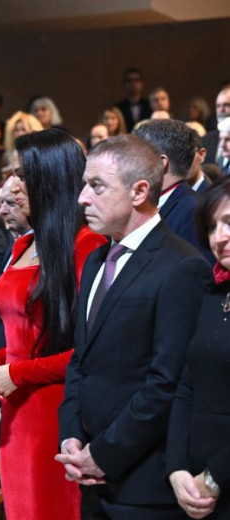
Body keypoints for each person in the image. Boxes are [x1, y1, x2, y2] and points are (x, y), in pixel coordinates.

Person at [56, 135, 213, 519]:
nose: (82, 198)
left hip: (144, 482)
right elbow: (82, 360)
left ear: (140, 190)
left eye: (96, 186)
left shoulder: (181, 265)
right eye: (83, 185)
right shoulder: (95, 260)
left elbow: (167, 381)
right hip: (89, 475)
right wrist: (73, 435)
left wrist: (105, 453)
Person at [0, 129, 106, 520]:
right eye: (13, 172)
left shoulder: (86, 245)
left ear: (51, 178)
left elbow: (87, 350)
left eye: (24, 174)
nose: (12, 184)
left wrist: (18, 372)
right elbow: (22, 333)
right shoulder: (22, 245)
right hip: (15, 410)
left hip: (55, 409)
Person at [167, 177, 230, 519]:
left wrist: (215, 477)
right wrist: (176, 468)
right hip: (196, 484)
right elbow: (187, 385)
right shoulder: (214, 294)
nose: (219, 237)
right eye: (212, 226)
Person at [134, 119, 214, 263]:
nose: (129, 164)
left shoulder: (193, 211)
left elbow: (195, 274)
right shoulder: (149, 203)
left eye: (136, 156)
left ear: (160, 163)